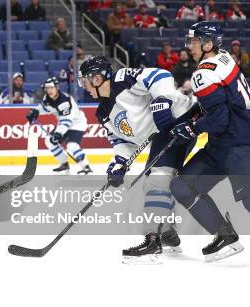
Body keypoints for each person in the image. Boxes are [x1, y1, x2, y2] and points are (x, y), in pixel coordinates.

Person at [78, 56, 195, 263]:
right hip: (160, 134)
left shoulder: (122, 79)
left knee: (157, 179)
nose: (84, 86)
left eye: (85, 81)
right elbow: (122, 140)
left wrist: (162, 101)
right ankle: (166, 233)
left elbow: (160, 74)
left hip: (179, 120)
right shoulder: (103, 112)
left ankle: (152, 240)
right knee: (154, 183)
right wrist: (119, 163)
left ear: (97, 78)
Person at [169, 21, 250, 262]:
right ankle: (225, 235)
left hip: (239, 145)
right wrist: (196, 113)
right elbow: (220, 103)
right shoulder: (224, 58)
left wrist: (193, 127)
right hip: (220, 147)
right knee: (182, 185)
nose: (189, 46)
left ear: (208, 44)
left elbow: (220, 120)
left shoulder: (202, 73)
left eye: (193, 42)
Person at [26, 77, 93, 174]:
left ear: (57, 87)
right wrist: (35, 112)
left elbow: (67, 120)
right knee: (49, 141)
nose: (49, 90)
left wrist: (58, 133)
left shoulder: (64, 100)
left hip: (76, 123)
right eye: (47, 88)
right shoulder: (48, 98)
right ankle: (64, 164)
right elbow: (45, 107)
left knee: (72, 146)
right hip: (64, 124)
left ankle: (86, 167)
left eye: (51, 88)